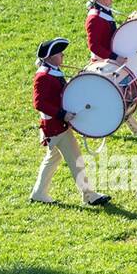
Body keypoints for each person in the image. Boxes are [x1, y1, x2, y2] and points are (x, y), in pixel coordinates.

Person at [30, 38, 110, 207]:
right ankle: (89, 195)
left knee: (52, 159)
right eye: (59, 53)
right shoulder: (43, 77)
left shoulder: (53, 72)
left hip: (58, 125)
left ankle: (39, 193)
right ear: (50, 57)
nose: (63, 55)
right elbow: (39, 103)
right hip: (55, 126)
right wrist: (62, 114)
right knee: (76, 159)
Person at [85, 0, 137, 138]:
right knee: (115, 98)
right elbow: (94, 46)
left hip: (111, 62)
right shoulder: (94, 18)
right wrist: (115, 57)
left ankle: (135, 127)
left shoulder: (104, 12)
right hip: (104, 64)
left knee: (120, 97)